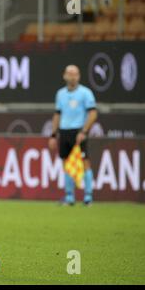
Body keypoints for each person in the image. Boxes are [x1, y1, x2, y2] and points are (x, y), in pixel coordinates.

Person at [48, 65, 98, 206]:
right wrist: (53, 134)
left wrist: (84, 131)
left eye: (75, 74)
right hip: (64, 132)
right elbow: (57, 114)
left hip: (78, 132)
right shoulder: (60, 94)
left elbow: (93, 113)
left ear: (79, 76)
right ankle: (69, 197)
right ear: (64, 76)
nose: (73, 76)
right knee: (66, 164)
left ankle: (88, 197)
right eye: (70, 74)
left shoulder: (85, 93)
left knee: (85, 162)